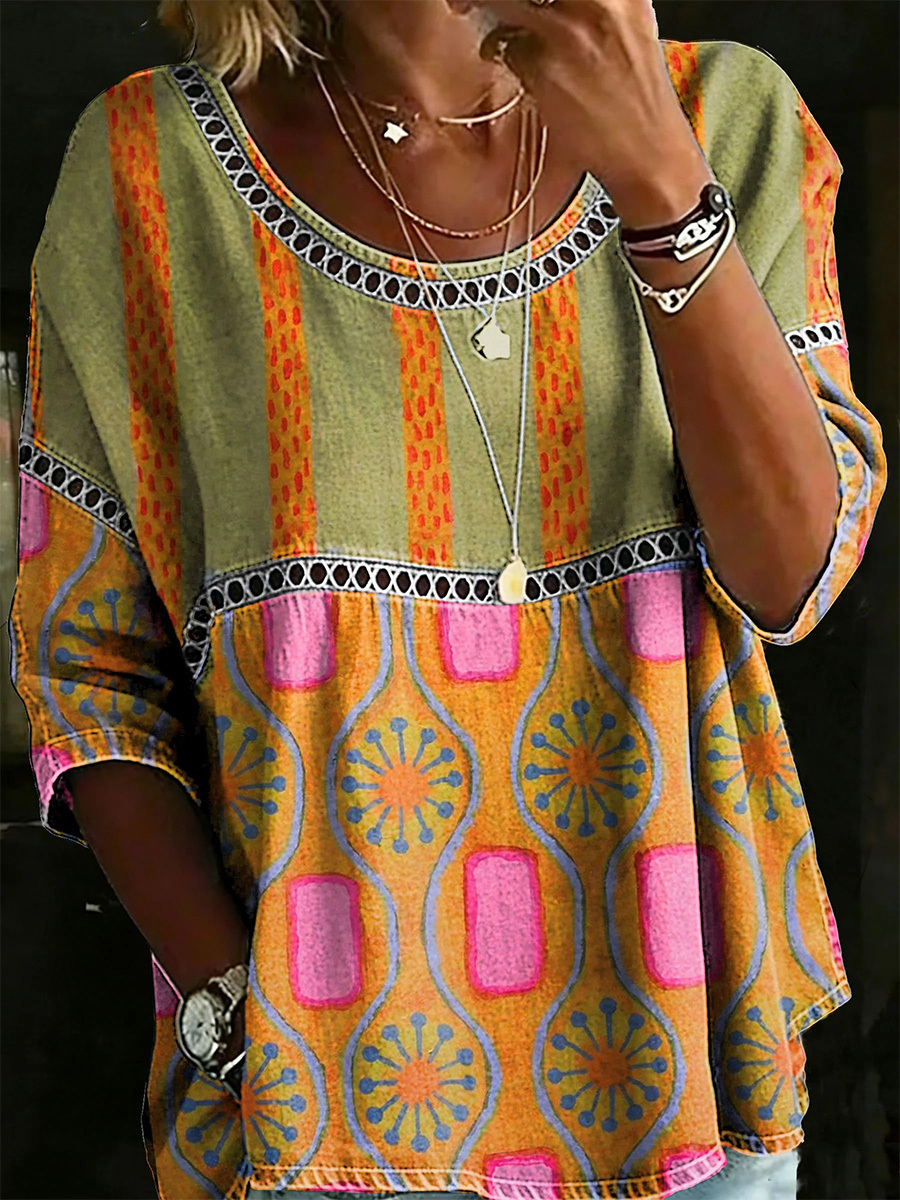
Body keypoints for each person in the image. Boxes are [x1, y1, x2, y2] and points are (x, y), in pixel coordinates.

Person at [8, 0, 887, 1197]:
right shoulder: (148, 168)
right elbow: (88, 671)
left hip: (690, 1094)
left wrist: (661, 185)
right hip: (321, 1125)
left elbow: (794, 577)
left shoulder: (725, 117)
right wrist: (241, 1017)